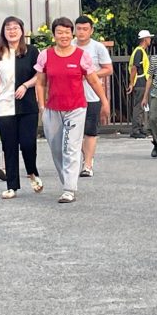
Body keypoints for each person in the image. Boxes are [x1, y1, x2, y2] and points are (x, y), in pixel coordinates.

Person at [34, 17, 110, 204]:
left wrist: (104, 101)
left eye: (67, 32)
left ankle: (69, 188)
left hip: (76, 108)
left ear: (72, 34)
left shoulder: (81, 56)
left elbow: (93, 80)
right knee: (56, 148)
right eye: (60, 32)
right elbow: (40, 82)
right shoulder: (46, 55)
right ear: (54, 35)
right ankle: (67, 181)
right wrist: (41, 105)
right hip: (52, 109)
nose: (64, 36)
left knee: (71, 147)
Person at [0, 17, 43, 200]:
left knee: (27, 143)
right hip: (4, 107)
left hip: (27, 105)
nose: (12, 31)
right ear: (3, 32)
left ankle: (32, 172)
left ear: (22, 31)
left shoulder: (32, 51)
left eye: (16, 28)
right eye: (8, 28)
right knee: (9, 147)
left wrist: (25, 85)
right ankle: (12, 186)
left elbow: (40, 76)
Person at [75, 16, 113, 178]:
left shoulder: (98, 48)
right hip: (72, 96)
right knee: (74, 133)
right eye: (79, 29)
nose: (81, 32)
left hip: (91, 95)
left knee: (90, 131)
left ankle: (88, 164)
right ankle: (83, 158)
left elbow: (108, 69)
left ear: (91, 30)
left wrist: (90, 75)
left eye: (85, 29)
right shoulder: (68, 46)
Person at [126, 29, 153, 138]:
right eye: (149, 38)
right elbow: (134, 68)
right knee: (139, 106)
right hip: (140, 82)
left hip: (142, 81)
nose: (150, 40)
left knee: (142, 106)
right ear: (145, 39)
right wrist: (131, 83)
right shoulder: (139, 51)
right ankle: (136, 130)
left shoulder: (140, 51)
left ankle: (140, 128)